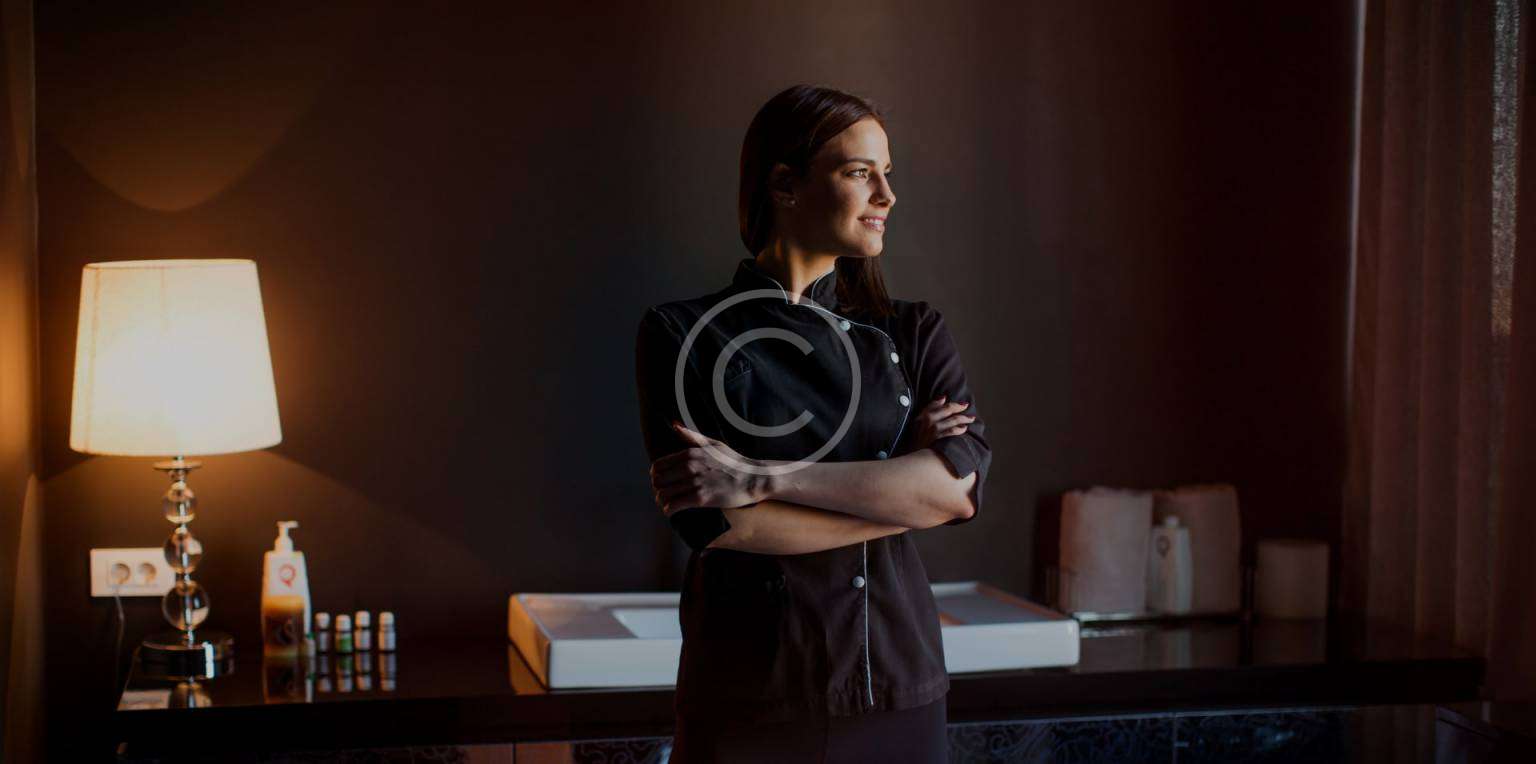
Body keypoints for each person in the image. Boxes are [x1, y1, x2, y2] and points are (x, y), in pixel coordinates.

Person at [633, 83, 992, 763]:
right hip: (749, 694)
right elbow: (724, 527)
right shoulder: (683, 333)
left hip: (898, 686)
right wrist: (907, 496)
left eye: (888, 172)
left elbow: (958, 490)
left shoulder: (915, 330)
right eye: (860, 172)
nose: (887, 195)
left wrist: (763, 477)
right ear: (784, 185)